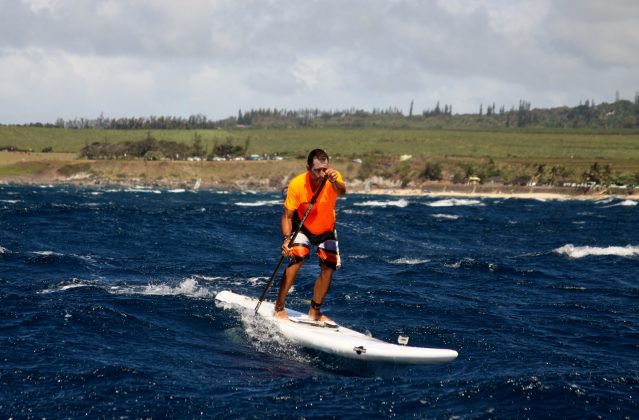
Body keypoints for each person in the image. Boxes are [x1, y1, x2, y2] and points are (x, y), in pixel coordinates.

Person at [274, 149, 346, 322]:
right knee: (298, 256)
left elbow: (342, 191)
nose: (322, 174)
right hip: (303, 226)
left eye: (325, 169)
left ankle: (315, 311)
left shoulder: (333, 178)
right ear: (308, 168)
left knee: (329, 266)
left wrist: (335, 180)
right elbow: (287, 216)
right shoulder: (297, 184)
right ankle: (279, 307)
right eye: (318, 170)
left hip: (326, 227)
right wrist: (286, 239)